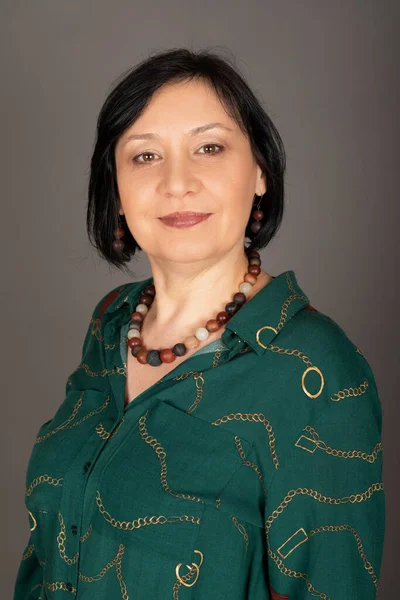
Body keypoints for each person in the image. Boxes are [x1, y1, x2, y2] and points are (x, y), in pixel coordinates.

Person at [13, 48, 385, 600]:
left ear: (260, 171)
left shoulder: (316, 372)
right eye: (144, 156)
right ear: (115, 187)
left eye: (209, 148)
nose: (176, 182)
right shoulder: (112, 323)